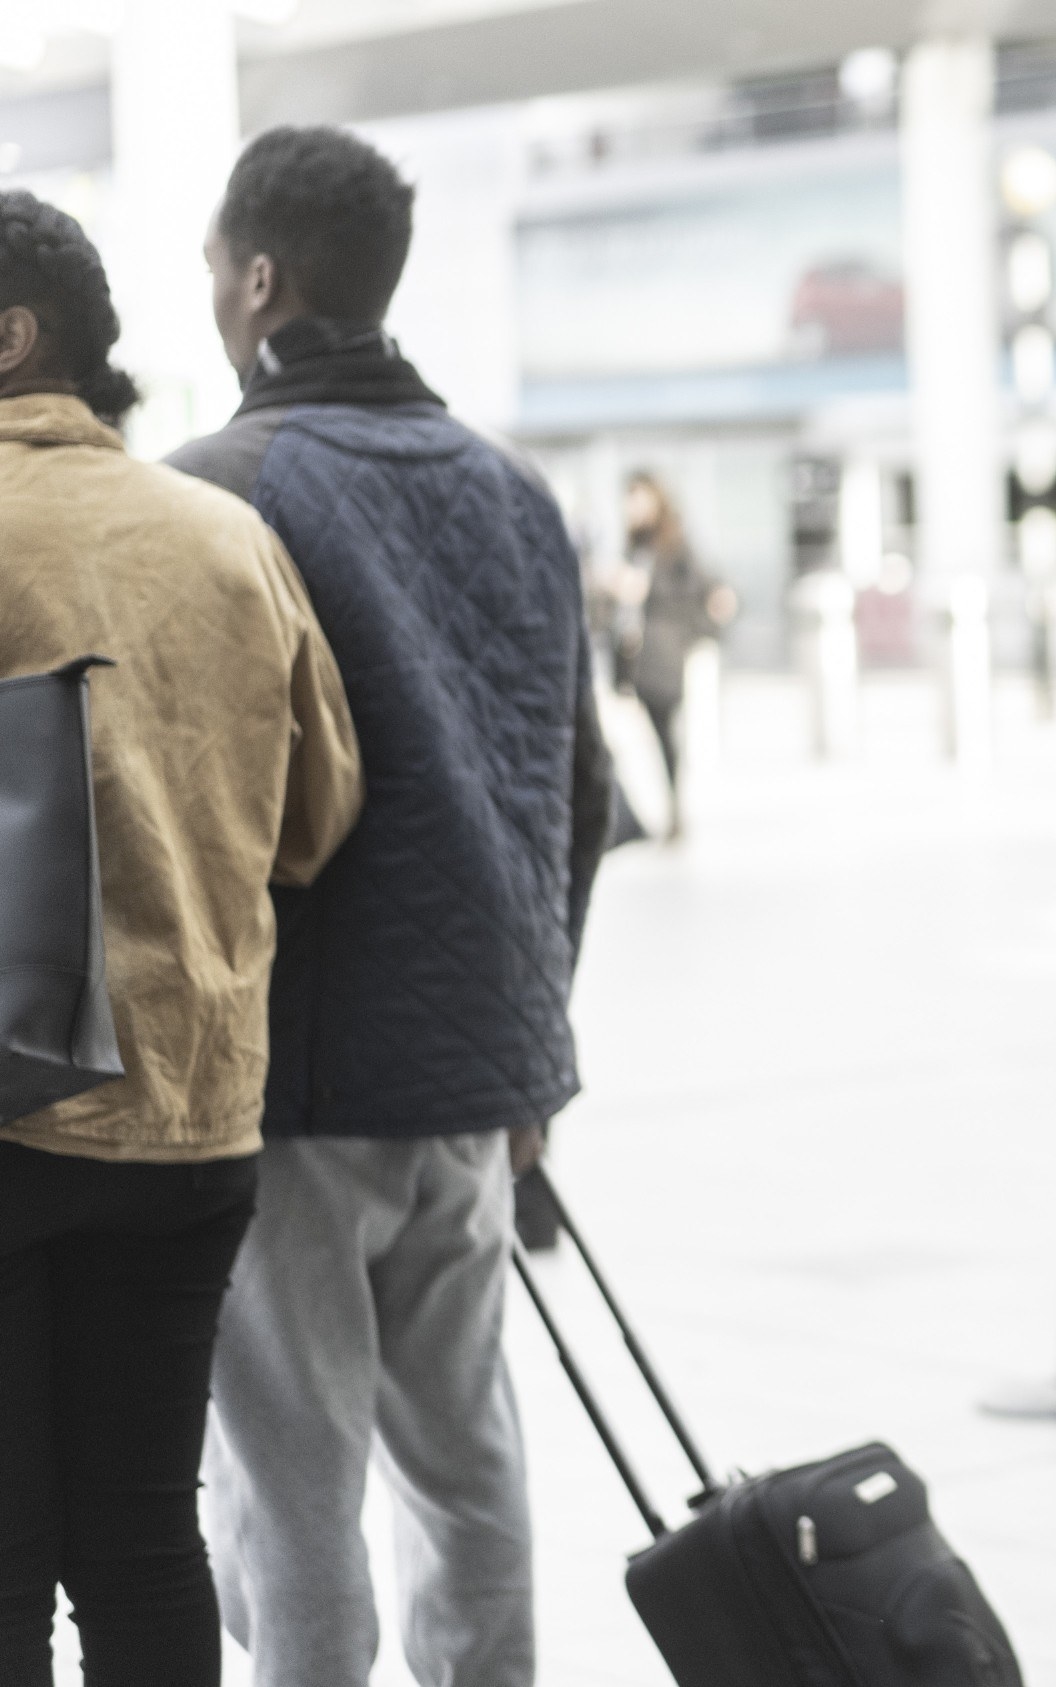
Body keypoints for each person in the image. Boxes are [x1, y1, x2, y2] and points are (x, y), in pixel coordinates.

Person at [169, 125, 611, 1687]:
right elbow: (587, 792)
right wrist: (529, 1055)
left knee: (293, 1492)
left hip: (294, 1082)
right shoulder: (514, 490)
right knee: (470, 1466)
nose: (214, 295)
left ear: (262, 279)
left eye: (219, 270)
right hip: (477, 1088)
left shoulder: (216, 496)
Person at [0, 190, 362, 1685]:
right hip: (194, 1125)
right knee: (148, 1532)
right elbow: (318, 814)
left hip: (9, 1113)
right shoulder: (227, 537)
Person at [614, 468, 733, 841]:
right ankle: (652, 813)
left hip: (663, 655)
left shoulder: (673, 544)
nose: (632, 507)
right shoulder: (633, 545)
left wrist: (646, 591)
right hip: (635, 655)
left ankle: (674, 811)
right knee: (647, 737)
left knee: (666, 735)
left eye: (639, 498)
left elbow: (698, 592)